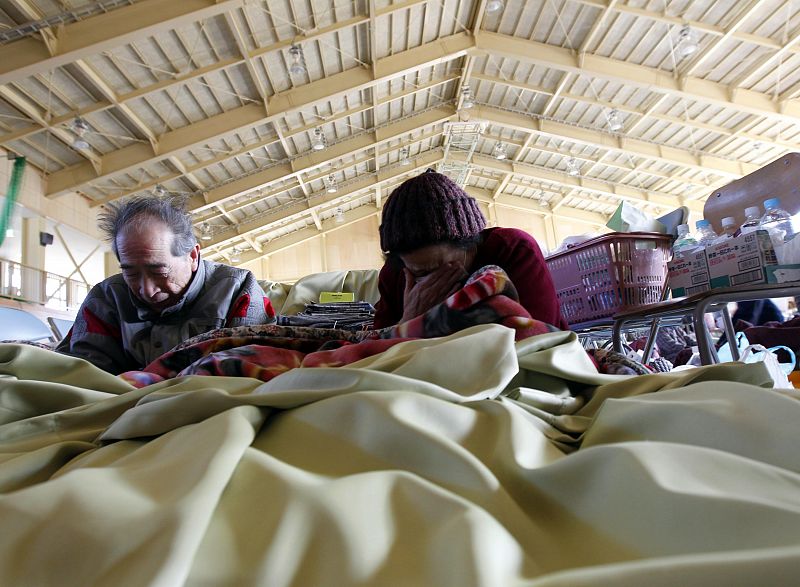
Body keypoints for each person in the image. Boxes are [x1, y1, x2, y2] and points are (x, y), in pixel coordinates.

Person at [57, 196, 274, 374]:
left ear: (193, 256)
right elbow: (85, 377)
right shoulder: (103, 300)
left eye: (158, 271)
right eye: (130, 272)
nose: (147, 290)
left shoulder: (239, 291)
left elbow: (253, 370)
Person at [373, 170, 567, 330]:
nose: (433, 283)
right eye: (421, 273)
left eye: (444, 267)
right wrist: (409, 321)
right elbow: (373, 354)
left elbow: (539, 338)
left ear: (472, 245)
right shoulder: (395, 274)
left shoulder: (512, 249)